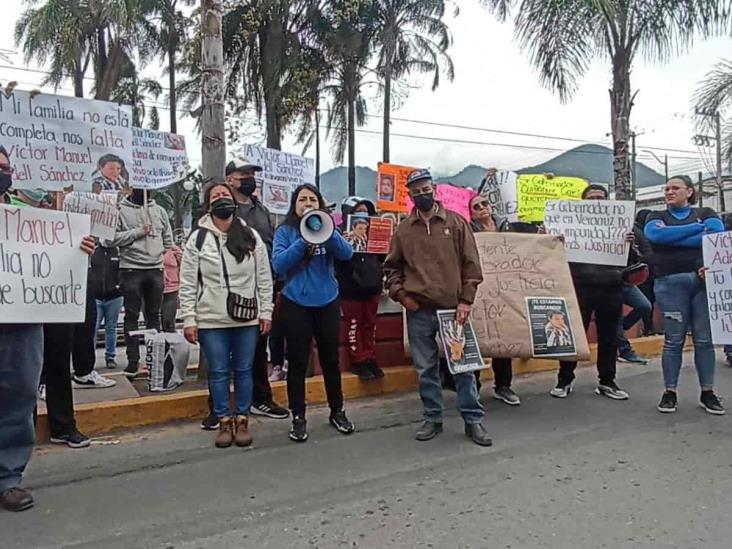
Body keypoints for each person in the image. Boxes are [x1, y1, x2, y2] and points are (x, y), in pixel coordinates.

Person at [0, 145, 96, 511]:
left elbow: (57, 249)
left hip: (20, 323)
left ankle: (8, 478)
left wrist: (78, 247)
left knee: (18, 398)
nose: (4, 173)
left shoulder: (29, 216)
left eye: (7, 167)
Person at [384, 170, 492, 446]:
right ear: (410, 195)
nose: (422, 195)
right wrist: (402, 297)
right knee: (425, 369)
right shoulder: (404, 231)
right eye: (416, 191)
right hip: (418, 310)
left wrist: (466, 300)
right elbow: (391, 268)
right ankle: (432, 417)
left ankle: (473, 420)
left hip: (453, 311)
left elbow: (472, 266)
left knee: (464, 368)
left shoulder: (457, 224)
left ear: (434, 190)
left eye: (425, 189)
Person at [180, 183, 273, 448]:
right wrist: (189, 318)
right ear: (208, 205)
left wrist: (266, 311)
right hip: (210, 319)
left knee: (244, 370)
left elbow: (263, 278)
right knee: (219, 371)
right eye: (215, 196)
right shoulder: (197, 239)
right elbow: (188, 283)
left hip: (247, 317)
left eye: (225, 195)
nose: (222, 199)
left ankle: (242, 419)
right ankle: (223, 420)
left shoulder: (250, 235)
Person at [272, 184, 355, 442]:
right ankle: (298, 416)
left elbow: (347, 253)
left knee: (331, 361)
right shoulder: (285, 232)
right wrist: (302, 241)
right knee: (297, 363)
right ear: (294, 205)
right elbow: (279, 264)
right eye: (301, 199)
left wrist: (326, 232)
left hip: (327, 301)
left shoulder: (328, 227)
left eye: (312, 199)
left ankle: (337, 410)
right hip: (296, 303)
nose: (307, 203)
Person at [644, 175, 725, 415]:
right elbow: (657, 236)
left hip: (703, 283)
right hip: (669, 284)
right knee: (673, 341)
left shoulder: (707, 211)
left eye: (675, 188)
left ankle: (708, 392)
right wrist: (699, 229)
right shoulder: (655, 217)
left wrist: (675, 235)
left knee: (704, 340)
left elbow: (716, 235)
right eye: (666, 188)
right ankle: (670, 392)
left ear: (689, 192)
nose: (669, 192)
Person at [217, 159, 289, 421]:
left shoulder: (261, 210)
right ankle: (220, 407)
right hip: (232, 289)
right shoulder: (224, 211)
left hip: (265, 286)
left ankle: (261, 397)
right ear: (229, 180)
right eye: (243, 174)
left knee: (260, 344)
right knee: (226, 349)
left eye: (252, 174)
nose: (249, 178)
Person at [551, 184, 632, 401]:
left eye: (601, 197)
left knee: (609, 338)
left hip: (611, 288)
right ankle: (564, 380)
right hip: (579, 288)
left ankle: (607, 381)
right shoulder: (569, 227)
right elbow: (552, 254)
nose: (597, 201)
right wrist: (551, 238)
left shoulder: (622, 227)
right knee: (574, 337)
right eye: (592, 197)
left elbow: (638, 258)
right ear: (583, 201)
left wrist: (630, 244)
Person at [109, 188, 173, 378]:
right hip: (130, 270)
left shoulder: (159, 211)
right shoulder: (120, 210)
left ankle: (156, 359)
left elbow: (167, 240)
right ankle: (132, 362)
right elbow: (110, 239)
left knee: (154, 316)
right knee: (131, 317)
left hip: (155, 270)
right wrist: (138, 233)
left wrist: (157, 255)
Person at [466, 194, 520, 406]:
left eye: (484, 204)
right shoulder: (468, 232)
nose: (482, 208)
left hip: (506, 290)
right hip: (479, 291)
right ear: (471, 213)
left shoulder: (507, 227)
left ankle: (503, 386)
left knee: (503, 337)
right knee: (477, 338)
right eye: (476, 207)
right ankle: (474, 386)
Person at [337, 197, 385, 381]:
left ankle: (370, 357)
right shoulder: (339, 234)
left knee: (369, 325)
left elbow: (383, 259)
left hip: (372, 287)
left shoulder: (375, 234)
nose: (363, 215)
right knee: (354, 325)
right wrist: (343, 243)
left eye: (365, 211)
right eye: (358, 211)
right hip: (351, 289)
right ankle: (358, 360)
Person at [616, 215, 653, 365]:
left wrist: (630, 245)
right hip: (600, 279)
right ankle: (624, 350)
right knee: (615, 316)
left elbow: (641, 256)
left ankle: (617, 331)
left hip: (623, 278)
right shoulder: (585, 228)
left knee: (644, 306)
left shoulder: (628, 229)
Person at [91, 243, 124, 369]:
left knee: (111, 328)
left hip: (114, 296)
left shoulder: (117, 251)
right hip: (96, 296)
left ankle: (110, 357)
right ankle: (90, 359)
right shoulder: (94, 251)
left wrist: (120, 285)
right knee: (93, 328)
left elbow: (123, 270)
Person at [162, 244, 183, 332]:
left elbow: (184, 265)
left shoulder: (172, 248)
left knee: (169, 321)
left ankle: (170, 343)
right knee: (153, 321)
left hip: (171, 288)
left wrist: (179, 254)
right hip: (151, 288)